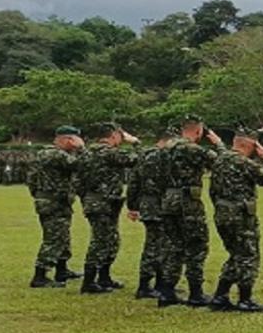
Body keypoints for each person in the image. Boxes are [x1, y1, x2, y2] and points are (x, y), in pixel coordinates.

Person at [208, 126, 263, 312]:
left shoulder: (220, 159)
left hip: (222, 213)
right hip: (240, 215)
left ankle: (220, 296)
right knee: (248, 256)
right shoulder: (243, 162)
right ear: (249, 145)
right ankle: (245, 299)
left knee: (236, 255)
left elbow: (212, 191)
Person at [158, 115, 224, 308]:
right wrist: (219, 144)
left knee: (174, 247)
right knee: (196, 246)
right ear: (198, 131)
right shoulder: (192, 149)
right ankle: (196, 293)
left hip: (168, 200)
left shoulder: (165, 149)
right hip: (187, 202)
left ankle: (167, 292)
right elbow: (222, 163)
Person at [76, 122, 140, 294]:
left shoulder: (86, 153)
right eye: (120, 135)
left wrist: (85, 201)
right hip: (104, 202)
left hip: (98, 202)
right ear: (113, 135)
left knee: (110, 240)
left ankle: (104, 278)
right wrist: (135, 142)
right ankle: (89, 282)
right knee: (101, 241)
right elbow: (138, 160)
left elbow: (77, 182)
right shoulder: (109, 153)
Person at [27, 126, 85, 288]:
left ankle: (62, 270)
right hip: (52, 202)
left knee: (63, 237)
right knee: (54, 239)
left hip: (56, 201)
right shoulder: (53, 154)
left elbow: (31, 179)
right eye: (73, 140)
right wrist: (81, 148)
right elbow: (81, 164)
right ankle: (40, 276)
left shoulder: (49, 154)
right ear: (67, 140)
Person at [125, 126, 174, 299]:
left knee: (158, 244)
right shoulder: (166, 156)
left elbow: (133, 182)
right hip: (161, 204)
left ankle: (159, 283)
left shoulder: (144, 154)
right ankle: (146, 285)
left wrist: (132, 205)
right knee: (156, 246)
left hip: (148, 203)